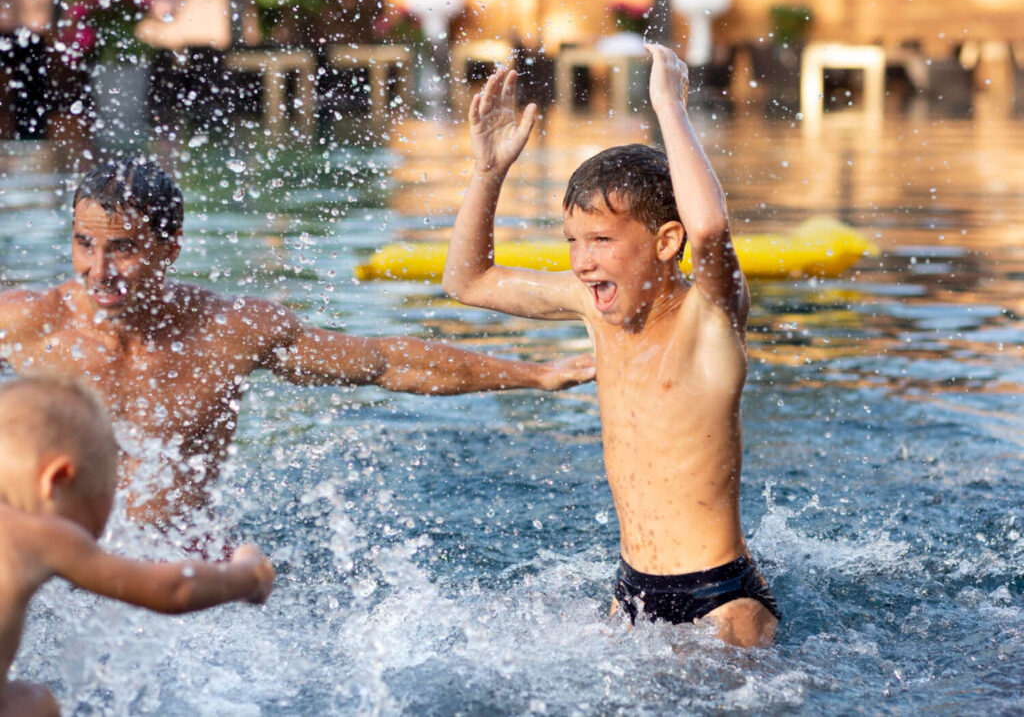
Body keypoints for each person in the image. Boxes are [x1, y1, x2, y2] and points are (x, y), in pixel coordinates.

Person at [0, 160, 594, 519]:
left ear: (170, 246)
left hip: (181, 562)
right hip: (63, 564)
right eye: (84, 243)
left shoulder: (227, 332)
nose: (98, 269)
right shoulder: (31, 323)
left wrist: (538, 374)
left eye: (122, 248)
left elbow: (383, 362)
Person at [441, 45, 779, 647]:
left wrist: (669, 105)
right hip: (629, 590)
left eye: (600, 239)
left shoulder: (711, 320)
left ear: (665, 242)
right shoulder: (592, 309)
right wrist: (488, 174)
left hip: (722, 600)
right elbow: (468, 281)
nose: (581, 261)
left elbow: (710, 229)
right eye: (572, 240)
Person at [0, 375, 275, 716]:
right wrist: (249, 575)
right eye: (103, 498)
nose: (100, 527)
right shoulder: (37, 534)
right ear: (58, 480)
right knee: (36, 703)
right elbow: (175, 589)